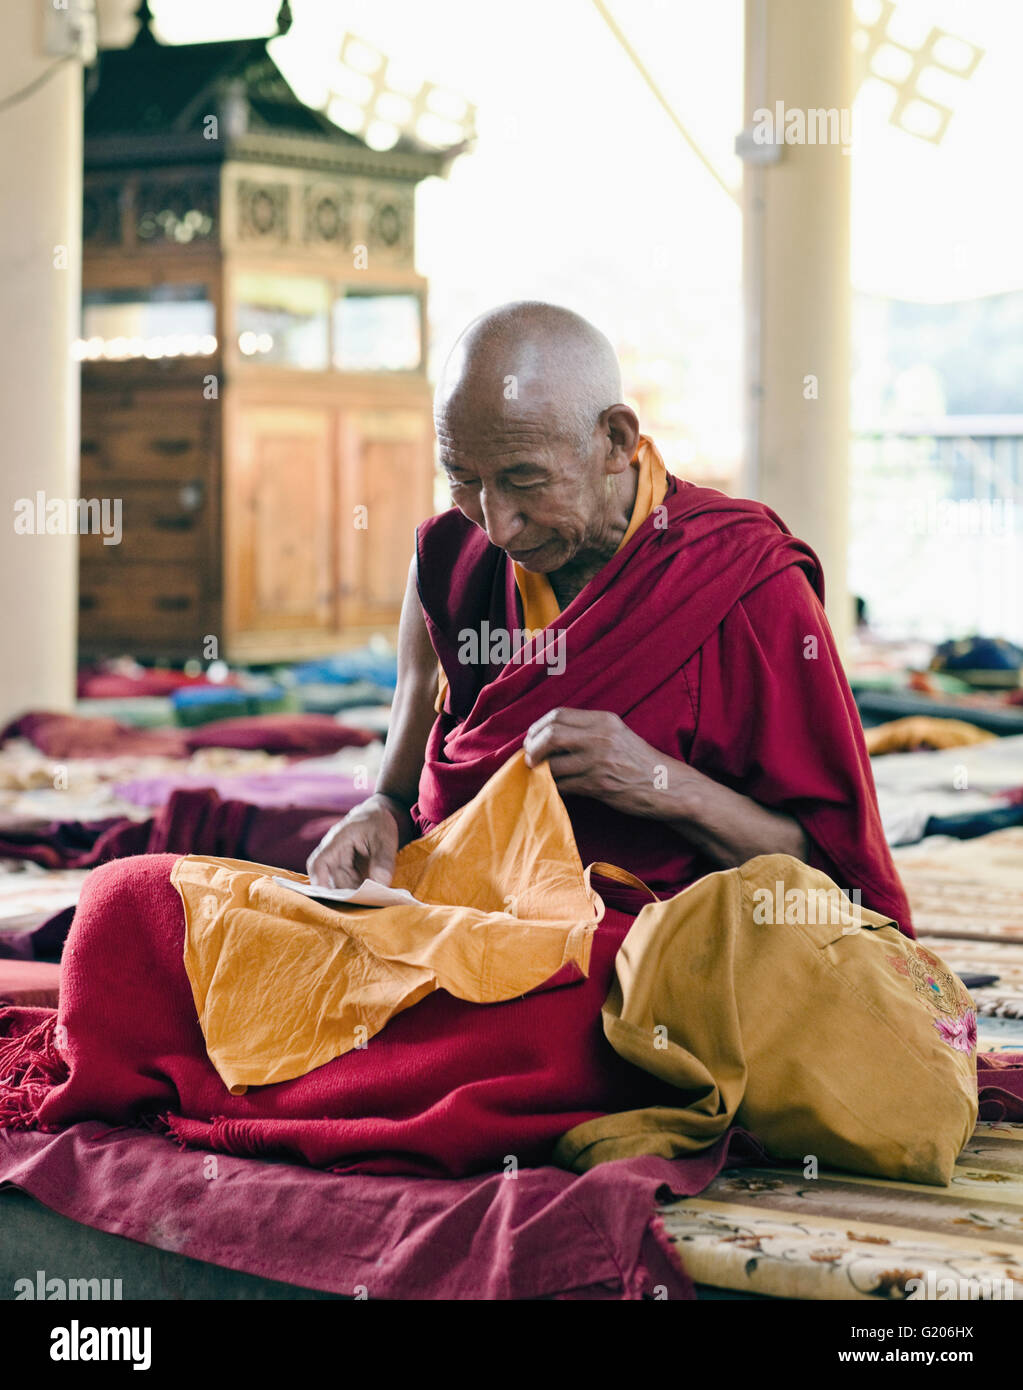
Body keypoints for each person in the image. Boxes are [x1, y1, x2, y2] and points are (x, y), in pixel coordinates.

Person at [308, 301, 910, 930]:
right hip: (469, 923)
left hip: (660, 952)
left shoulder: (744, 579)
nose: (496, 522)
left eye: (524, 479)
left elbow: (836, 882)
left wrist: (661, 785)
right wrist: (375, 813)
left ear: (615, 441)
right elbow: (401, 795)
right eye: (462, 479)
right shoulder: (448, 559)